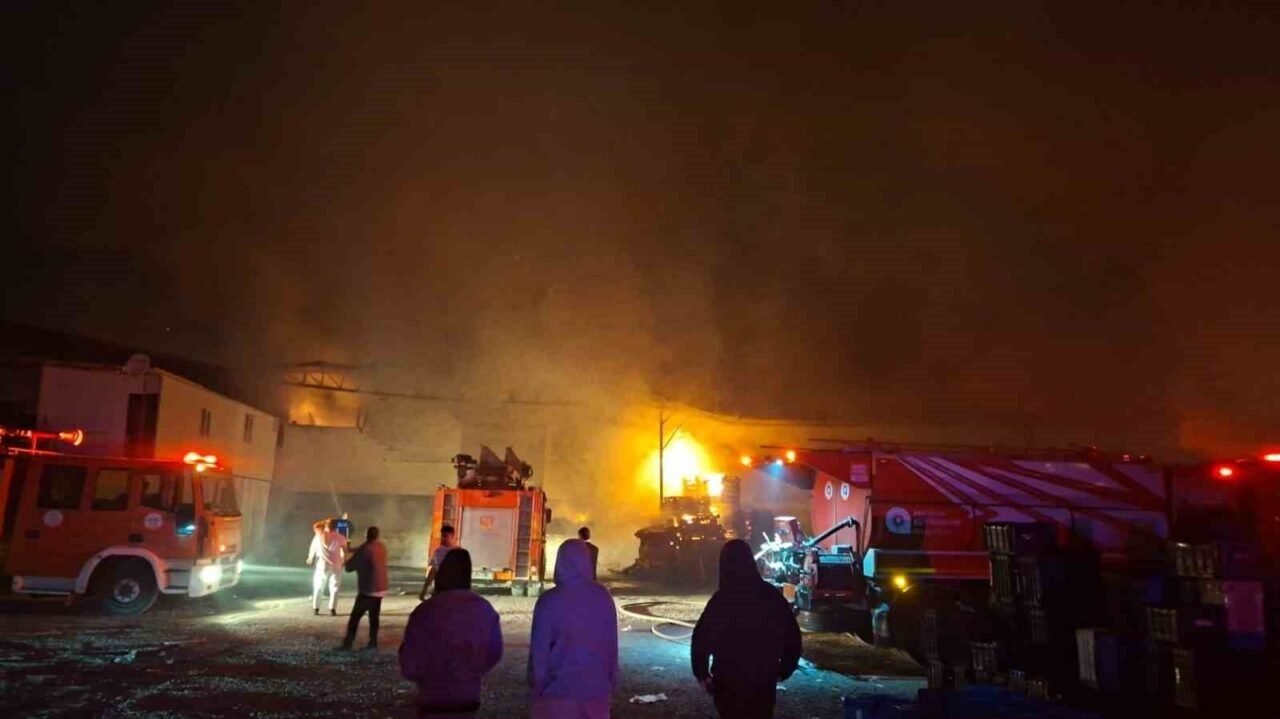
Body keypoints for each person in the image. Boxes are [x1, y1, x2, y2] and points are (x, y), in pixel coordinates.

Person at [691, 539, 802, 719]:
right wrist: (784, 669)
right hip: (763, 678)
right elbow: (792, 636)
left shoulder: (721, 599)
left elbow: (701, 637)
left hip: (727, 679)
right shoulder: (771, 596)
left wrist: (701, 673)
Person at [400, 549, 503, 718]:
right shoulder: (483, 609)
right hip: (467, 697)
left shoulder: (424, 611)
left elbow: (409, 659)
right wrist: (470, 672)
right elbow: (494, 653)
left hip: (431, 697)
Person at [528, 539, 618, 719]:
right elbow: (611, 647)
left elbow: (539, 653)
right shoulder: (603, 597)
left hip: (556, 695)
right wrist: (610, 683)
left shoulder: (548, 601)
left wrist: (539, 687)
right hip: (596, 694)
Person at [342, 525, 389, 650]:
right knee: (374, 616)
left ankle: (348, 643)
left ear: (365, 535)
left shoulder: (364, 549)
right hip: (381, 588)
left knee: (355, 617)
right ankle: (373, 642)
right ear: (377, 536)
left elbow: (349, 567)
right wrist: (351, 549)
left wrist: (345, 557)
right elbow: (363, 551)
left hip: (369, 589)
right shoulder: (381, 546)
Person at [306, 518, 349, 616]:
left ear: (325, 526)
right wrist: (343, 561)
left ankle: (316, 608)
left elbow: (313, 548)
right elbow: (344, 551)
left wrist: (310, 557)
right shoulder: (340, 537)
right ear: (335, 527)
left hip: (322, 564)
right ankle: (332, 609)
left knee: (318, 586)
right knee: (334, 587)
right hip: (336, 564)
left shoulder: (318, 536)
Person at [419, 524, 459, 601]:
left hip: (454, 590)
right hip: (440, 589)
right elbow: (433, 571)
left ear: (452, 536)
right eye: (442, 536)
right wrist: (424, 590)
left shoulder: (459, 552)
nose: (443, 539)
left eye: (445, 536)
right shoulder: (438, 552)